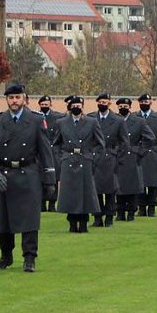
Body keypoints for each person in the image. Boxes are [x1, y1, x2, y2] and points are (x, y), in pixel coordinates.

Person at [0, 84, 56, 272]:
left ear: (24, 98)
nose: (14, 101)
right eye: (11, 97)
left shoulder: (36, 120)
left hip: (28, 174)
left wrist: (49, 179)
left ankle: (29, 258)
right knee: (3, 221)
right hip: (4, 174)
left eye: (17, 97)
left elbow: (45, 151)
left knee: (29, 220)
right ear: (6, 99)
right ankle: (5, 256)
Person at [52, 97, 104, 233]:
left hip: (85, 159)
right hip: (68, 160)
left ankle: (83, 223)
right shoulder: (62, 122)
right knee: (70, 194)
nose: (76, 107)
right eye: (74, 105)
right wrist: (61, 159)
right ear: (70, 107)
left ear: (82, 106)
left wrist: (92, 159)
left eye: (79, 105)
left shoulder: (92, 122)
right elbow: (56, 144)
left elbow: (100, 144)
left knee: (85, 194)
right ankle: (72, 223)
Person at [87, 93, 128, 227]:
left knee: (110, 190)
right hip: (95, 157)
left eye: (104, 102)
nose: (102, 104)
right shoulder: (91, 118)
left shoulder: (118, 120)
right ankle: (97, 217)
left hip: (111, 157)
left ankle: (109, 216)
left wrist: (119, 158)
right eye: (100, 102)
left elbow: (124, 142)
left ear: (109, 103)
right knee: (96, 190)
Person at [116, 98, 156, 220]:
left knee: (132, 185)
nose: (123, 108)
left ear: (130, 107)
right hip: (118, 155)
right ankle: (120, 212)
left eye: (125, 106)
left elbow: (150, 138)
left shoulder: (139, 121)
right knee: (118, 185)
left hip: (132, 156)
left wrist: (140, 151)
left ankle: (131, 211)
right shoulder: (115, 120)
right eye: (120, 106)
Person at [135, 94, 157, 217]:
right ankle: (141, 207)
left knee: (153, 182)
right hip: (139, 153)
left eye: (146, 101)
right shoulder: (134, 117)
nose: (144, 103)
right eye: (142, 102)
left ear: (150, 102)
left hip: (153, 152)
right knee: (140, 181)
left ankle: (152, 207)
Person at [37, 95, 64, 212]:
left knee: (54, 178)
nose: (44, 106)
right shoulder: (36, 117)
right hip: (40, 152)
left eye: (46, 104)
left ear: (50, 104)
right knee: (41, 178)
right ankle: (42, 203)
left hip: (53, 152)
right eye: (42, 104)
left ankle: (52, 203)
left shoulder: (57, 117)